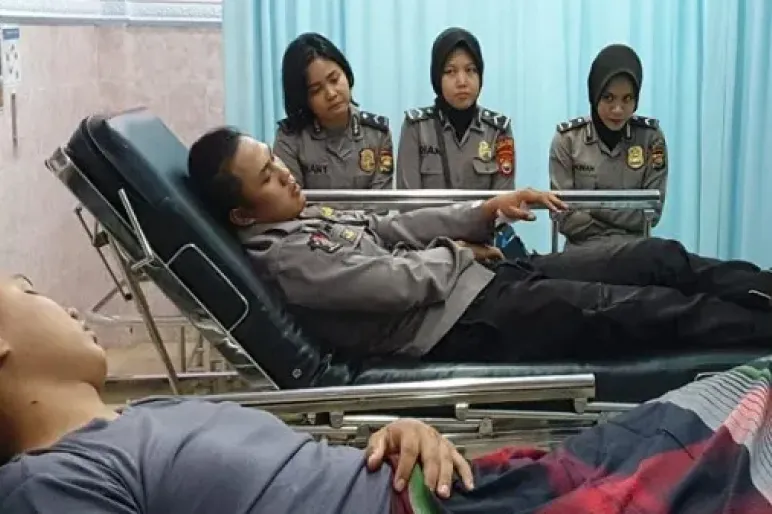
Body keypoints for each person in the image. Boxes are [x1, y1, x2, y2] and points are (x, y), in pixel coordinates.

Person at [2, 272, 772, 513]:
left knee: (705, 410)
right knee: (718, 445)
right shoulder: (48, 483)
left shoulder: (140, 416)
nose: (63, 303)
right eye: (30, 291)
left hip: (437, 485)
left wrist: (400, 434)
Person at [187, 127, 772, 364]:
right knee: (645, 310)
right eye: (268, 177)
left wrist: (483, 212)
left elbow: (391, 229)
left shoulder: (305, 215)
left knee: (654, 257)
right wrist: (460, 255)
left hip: (484, 283)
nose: (286, 174)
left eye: (275, 161)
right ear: (241, 214)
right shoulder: (286, 258)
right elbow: (393, 285)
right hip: (458, 323)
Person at [550, 44, 668, 249]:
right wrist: (619, 219)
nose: (618, 109)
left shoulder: (651, 139)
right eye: (608, 98)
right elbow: (563, 216)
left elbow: (651, 213)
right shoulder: (568, 140)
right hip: (581, 254)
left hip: (634, 252)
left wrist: (592, 208)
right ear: (594, 94)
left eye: (627, 99)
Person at [396, 28, 515, 191]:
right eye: (450, 71)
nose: (462, 82)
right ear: (437, 77)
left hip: (488, 211)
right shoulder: (417, 128)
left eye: (470, 70)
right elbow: (408, 201)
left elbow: (504, 201)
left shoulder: (497, 131)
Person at [273, 32, 394, 190]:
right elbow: (290, 200)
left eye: (334, 79)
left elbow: (382, 201)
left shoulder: (378, 134)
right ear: (302, 98)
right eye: (316, 90)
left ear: (346, 73)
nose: (331, 94)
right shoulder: (290, 138)